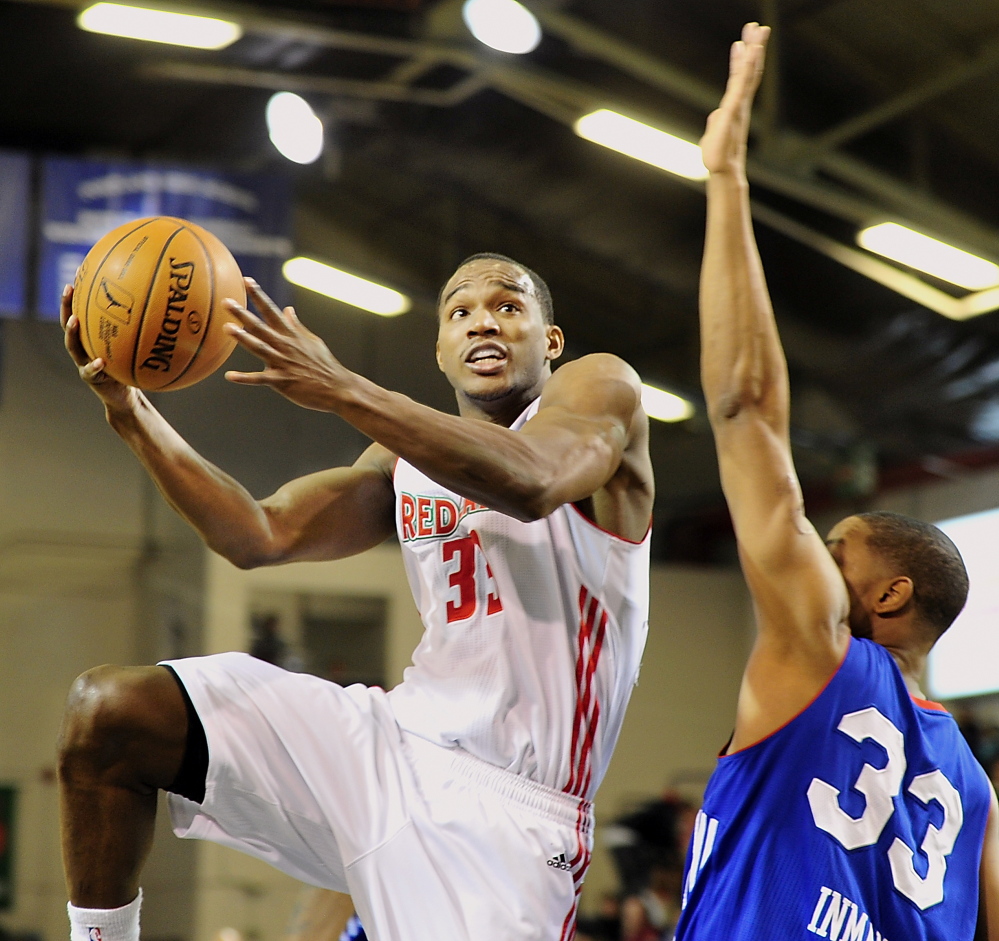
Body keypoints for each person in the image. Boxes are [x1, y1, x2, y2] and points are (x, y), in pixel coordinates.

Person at [57, 251, 654, 941]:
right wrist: (130, 412)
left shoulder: (600, 388)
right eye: (459, 311)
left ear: (550, 341)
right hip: (386, 746)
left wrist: (342, 387)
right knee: (112, 713)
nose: (482, 322)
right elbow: (257, 534)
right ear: (439, 349)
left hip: (511, 815)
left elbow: (534, 482)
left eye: (507, 306)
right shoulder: (402, 461)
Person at [674, 23, 999, 941]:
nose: (811, 559)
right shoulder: (974, 792)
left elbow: (744, 409)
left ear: (887, 594)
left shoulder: (822, 652)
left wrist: (726, 180)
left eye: (832, 550)